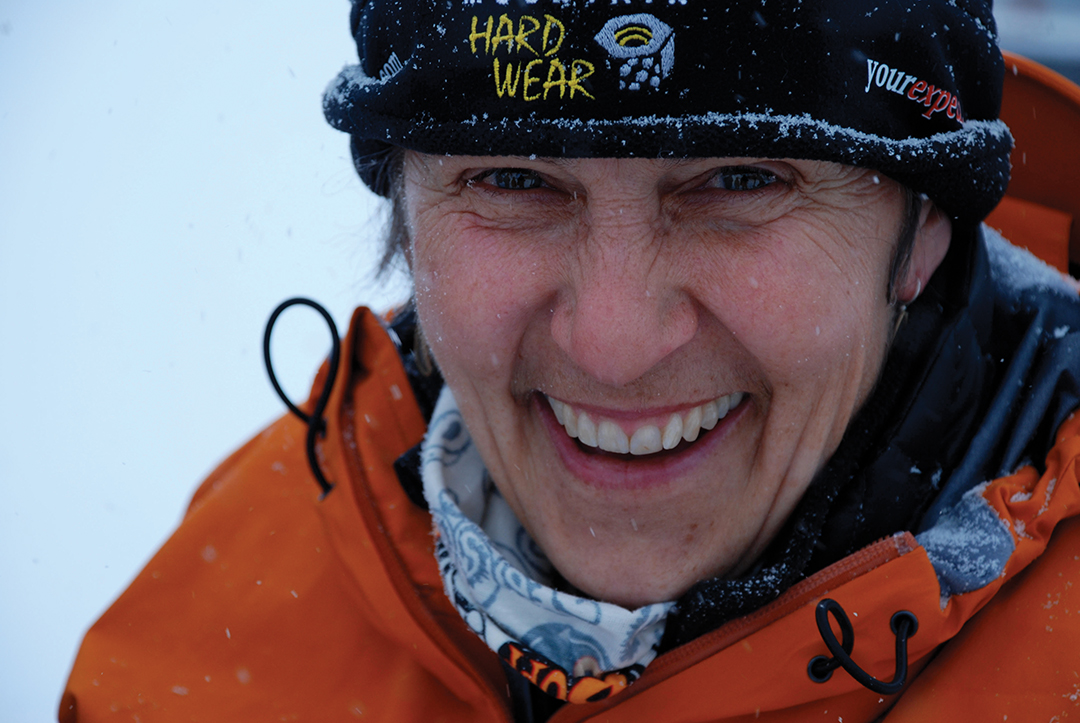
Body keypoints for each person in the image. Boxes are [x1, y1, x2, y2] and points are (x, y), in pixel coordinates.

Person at [61, 1, 1080, 721]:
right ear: (407, 221)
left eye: (739, 178)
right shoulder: (201, 643)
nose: (614, 345)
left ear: (928, 225)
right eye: (512, 178)